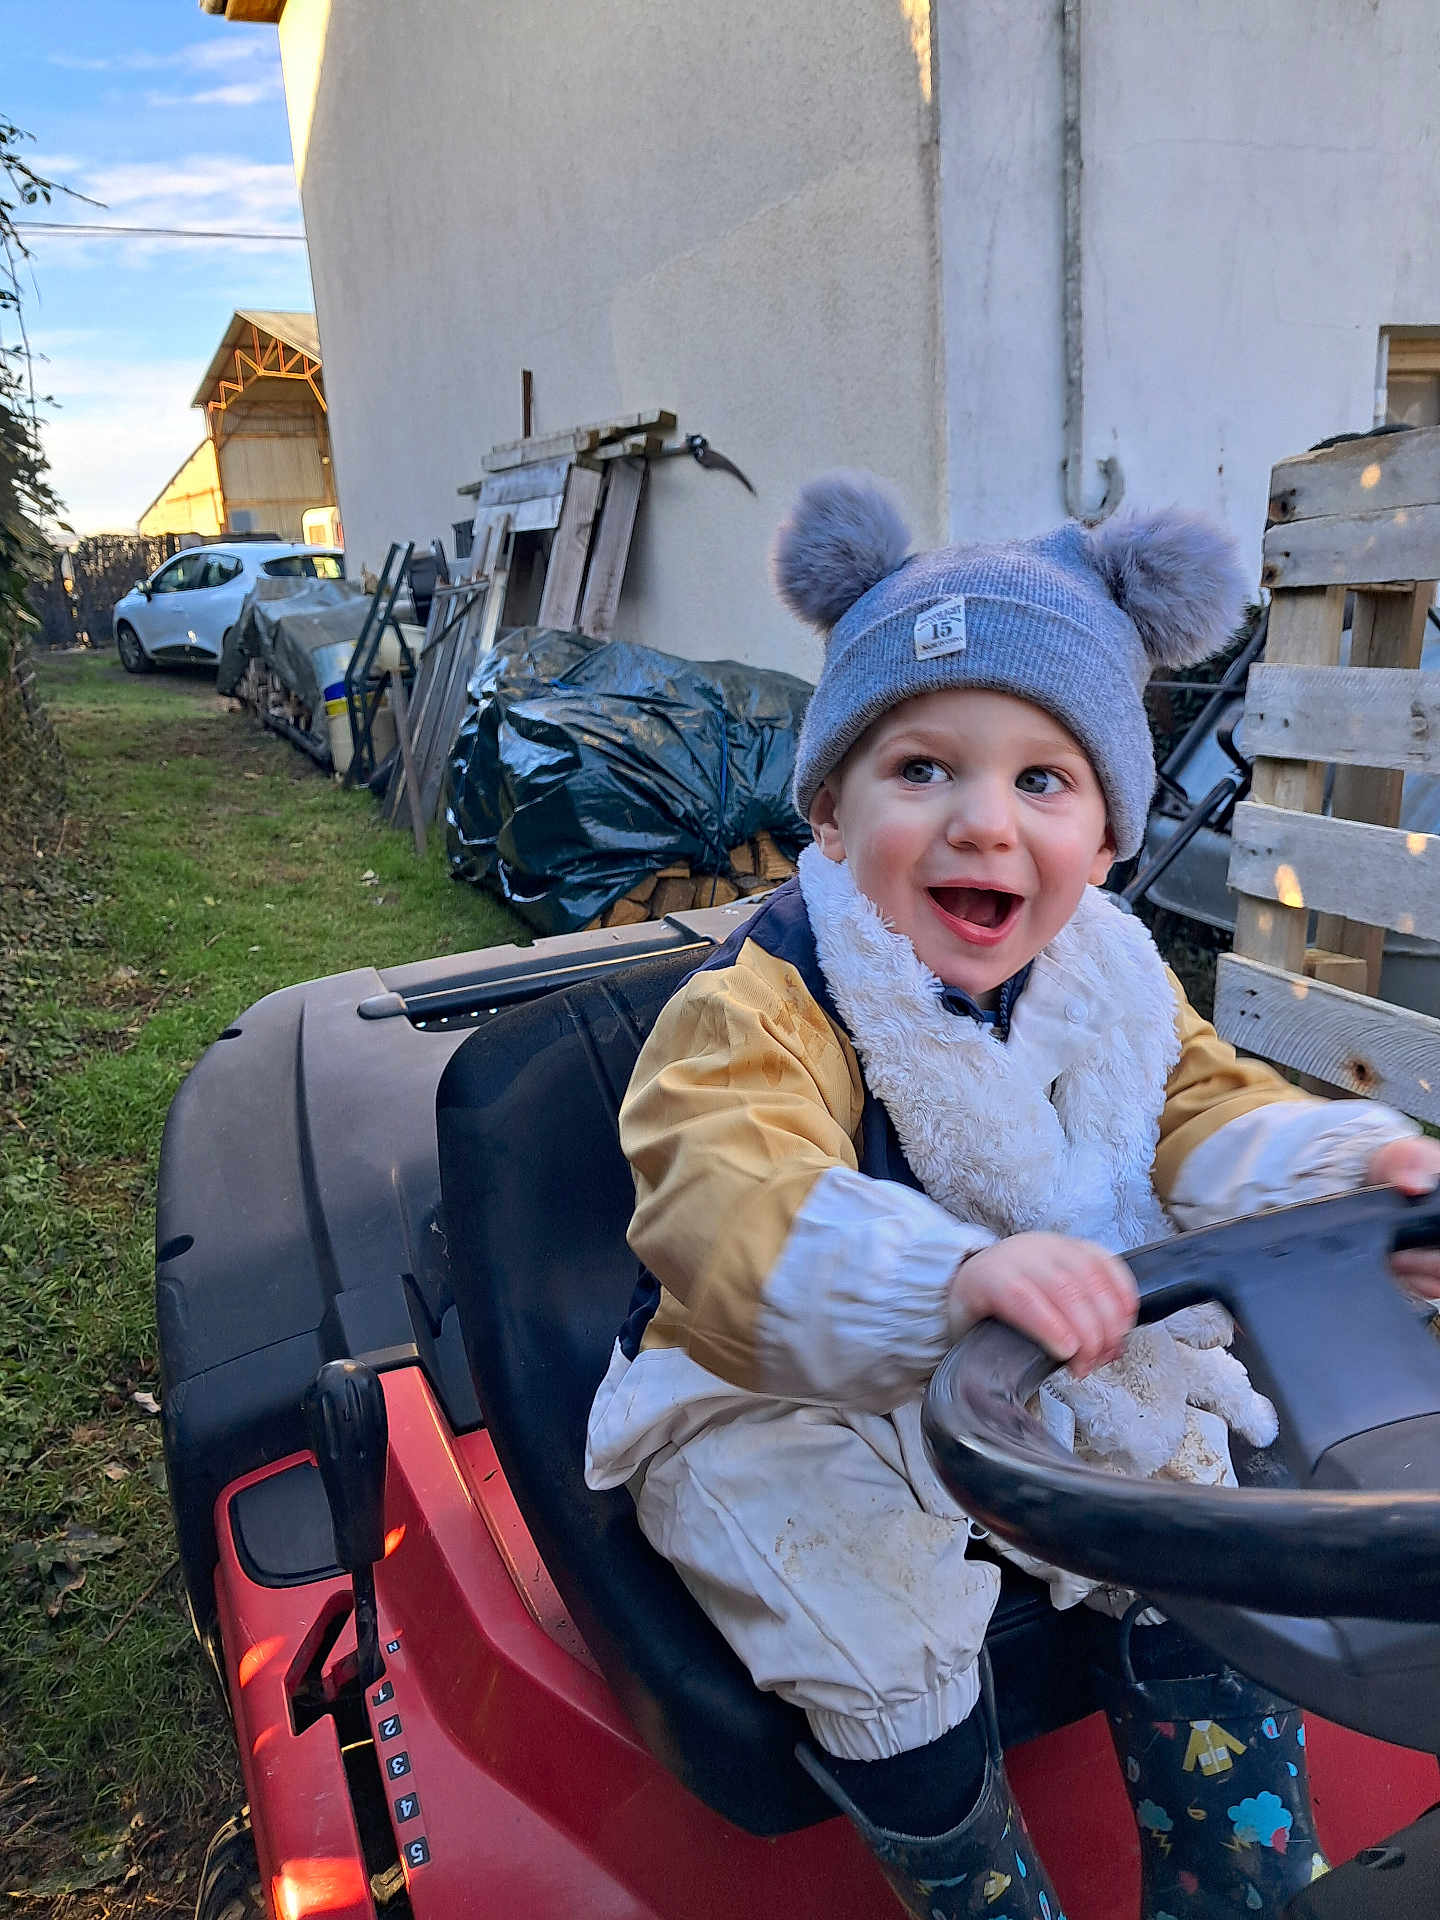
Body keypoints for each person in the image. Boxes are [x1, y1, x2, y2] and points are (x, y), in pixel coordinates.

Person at [585, 473, 1440, 1919]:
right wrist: (947, 1278)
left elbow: (1196, 1105)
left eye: (1042, 781)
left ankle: (1237, 1876)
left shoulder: (1112, 978)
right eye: (923, 769)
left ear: (1104, 842)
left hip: (1047, 1358)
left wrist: (1348, 1174)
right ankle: (973, 1874)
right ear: (831, 811)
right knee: (871, 1621)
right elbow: (722, 1190)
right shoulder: (763, 1008)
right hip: (783, 1382)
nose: (984, 824)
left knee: (1200, 1519)